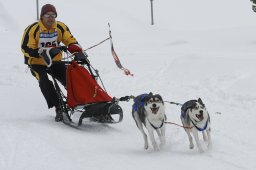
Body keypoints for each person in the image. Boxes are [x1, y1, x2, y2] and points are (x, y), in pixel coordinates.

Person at [21, 4, 83, 122]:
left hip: (54, 60)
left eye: (53, 15)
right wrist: (38, 52)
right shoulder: (33, 29)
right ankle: (58, 107)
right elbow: (24, 47)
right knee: (44, 80)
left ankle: (80, 100)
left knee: (69, 78)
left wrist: (75, 48)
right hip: (37, 62)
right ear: (42, 16)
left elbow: (70, 39)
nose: (50, 18)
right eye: (47, 15)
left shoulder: (60, 26)